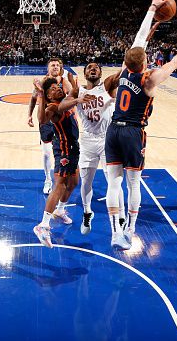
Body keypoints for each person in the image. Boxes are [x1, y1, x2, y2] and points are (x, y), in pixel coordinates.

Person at [105, 0, 177, 250]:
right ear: (145, 60)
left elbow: (138, 40)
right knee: (133, 182)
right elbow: (174, 64)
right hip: (134, 132)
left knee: (113, 182)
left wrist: (151, 10)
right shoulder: (148, 79)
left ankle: (115, 232)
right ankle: (130, 231)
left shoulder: (124, 71)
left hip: (113, 130)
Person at [58, 62, 125, 235]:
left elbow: (125, 69)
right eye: (89, 67)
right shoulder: (78, 90)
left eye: (96, 67)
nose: (93, 69)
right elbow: (60, 107)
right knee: (86, 181)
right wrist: (78, 100)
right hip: (87, 141)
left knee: (113, 181)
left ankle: (121, 216)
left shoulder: (107, 85)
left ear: (101, 73)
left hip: (107, 140)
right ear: (85, 73)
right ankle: (87, 212)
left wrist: (141, 40)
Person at [33, 77, 94, 248]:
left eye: (57, 86)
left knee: (74, 182)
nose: (57, 89)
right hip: (64, 150)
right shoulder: (53, 107)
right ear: (48, 96)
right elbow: (42, 119)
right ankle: (43, 225)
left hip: (74, 148)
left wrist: (70, 82)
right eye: (52, 89)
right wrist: (40, 95)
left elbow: (75, 91)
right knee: (59, 185)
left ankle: (59, 210)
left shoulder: (65, 100)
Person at [27, 58, 73, 194]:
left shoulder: (64, 82)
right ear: (48, 69)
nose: (55, 67)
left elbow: (72, 96)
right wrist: (29, 115)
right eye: (52, 65)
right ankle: (48, 179)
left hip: (62, 121)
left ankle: (64, 177)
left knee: (65, 151)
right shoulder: (42, 83)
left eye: (58, 65)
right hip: (46, 120)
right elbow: (33, 98)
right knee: (47, 153)